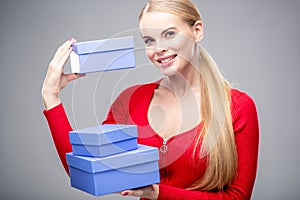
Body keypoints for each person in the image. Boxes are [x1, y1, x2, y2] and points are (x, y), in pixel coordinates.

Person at [42, 0, 259, 199]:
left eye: (169, 34)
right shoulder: (131, 100)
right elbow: (82, 170)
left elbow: (237, 197)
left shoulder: (238, 107)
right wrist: (51, 97)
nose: (158, 49)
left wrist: (158, 193)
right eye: (149, 40)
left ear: (197, 31)